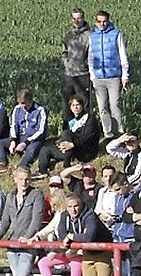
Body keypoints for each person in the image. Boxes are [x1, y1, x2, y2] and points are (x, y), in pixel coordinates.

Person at [0, 167, 44, 276]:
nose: (24, 182)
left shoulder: (36, 195)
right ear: (15, 179)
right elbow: (5, 221)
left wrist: (28, 236)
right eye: (21, 178)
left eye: (27, 179)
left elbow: (36, 220)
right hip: (12, 244)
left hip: (28, 245)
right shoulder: (10, 196)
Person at [88, 10, 130, 139]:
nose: (102, 24)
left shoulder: (116, 34)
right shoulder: (92, 35)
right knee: (102, 107)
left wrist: (125, 75)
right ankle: (108, 133)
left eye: (104, 21)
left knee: (115, 105)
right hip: (99, 77)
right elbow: (90, 56)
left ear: (108, 20)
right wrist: (92, 75)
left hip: (114, 76)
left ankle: (119, 132)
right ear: (95, 22)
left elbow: (122, 54)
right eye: (99, 21)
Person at [35, 96, 101, 177]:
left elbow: (88, 137)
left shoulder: (90, 119)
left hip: (85, 151)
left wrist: (73, 144)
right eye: (73, 105)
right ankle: (43, 171)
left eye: (78, 105)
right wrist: (61, 143)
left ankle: (66, 165)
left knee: (67, 133)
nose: (75, 107)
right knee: (46, 148)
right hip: (70, 151)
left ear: (82, 106)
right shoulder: (70, 120)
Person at [61, 8, 91, 118]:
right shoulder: (68, 35)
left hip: (83, 75)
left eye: (79, 18)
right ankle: (68, 130)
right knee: (67, 104)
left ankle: (85, 130)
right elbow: (64, 52)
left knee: (84, 104)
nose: (76, 21)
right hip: (68, 75)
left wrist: (85, 66)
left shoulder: (89, 35)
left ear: (83, 18)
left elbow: (92, 55)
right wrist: (67, 63)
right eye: (74, 18)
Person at [7, 89, 47, 170]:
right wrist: (13, 140)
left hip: (34, 139)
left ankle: (22, 166)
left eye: (24, 104)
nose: (22, 106)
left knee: (31, 149)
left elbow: (41, 130)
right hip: (20, 137)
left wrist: (26, 142)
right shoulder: (17, 109)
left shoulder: (40, 110)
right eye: (20, 103)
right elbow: (14, 125)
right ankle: (1, 163)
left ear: (30, 100)